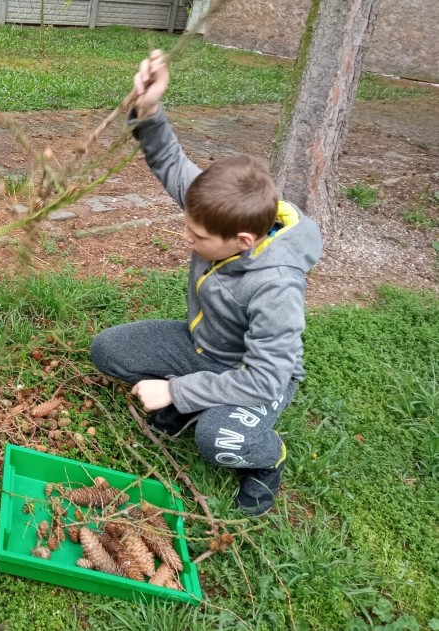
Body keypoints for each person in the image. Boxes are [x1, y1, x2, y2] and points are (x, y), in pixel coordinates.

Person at [90, 50, 322, 516]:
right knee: (108, 351)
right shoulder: (220, 208)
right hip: (202, 348)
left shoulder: (277, 286)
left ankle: (266, 461)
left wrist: (176, 392)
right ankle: (198, 395)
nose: (187, 239)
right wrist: (150, 110)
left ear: (241, 240)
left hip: (255, 375)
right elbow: (172, 163)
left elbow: (264, 376)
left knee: (217, 439)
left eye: (197, 237)